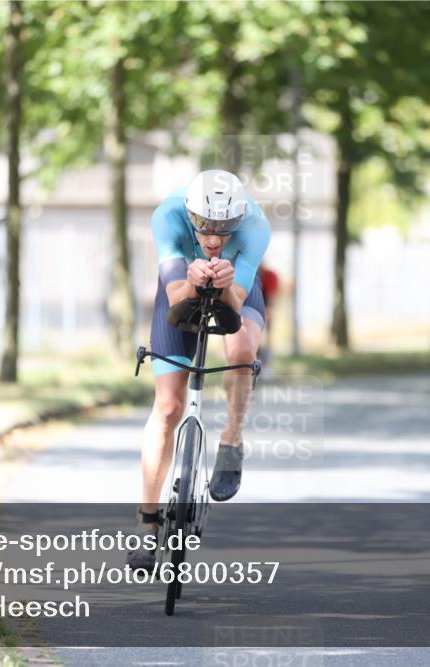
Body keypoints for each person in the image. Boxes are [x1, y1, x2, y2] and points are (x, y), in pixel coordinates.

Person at [128, 170, 270, 570]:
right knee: (169, 407)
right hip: (181, 285)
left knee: (241, 348)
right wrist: (193, 281)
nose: (212, 237)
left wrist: (224, 281)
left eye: (224, 228)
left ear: (239, 220)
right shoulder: (168, 216)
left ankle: (231, 440)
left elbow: (236, 302)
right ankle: (148, 521)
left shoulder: (256, 225)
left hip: (235, 286)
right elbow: (175, 297)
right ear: (190, 214)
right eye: (204, 225)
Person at [256, 263, 280, 371]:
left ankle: (267, 364)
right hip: (256, 305)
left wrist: (269, 311)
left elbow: (271, 298)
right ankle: (256, 360)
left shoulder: (271, 276)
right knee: (256, 337)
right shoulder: (254, 275)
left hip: (267, 304)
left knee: (268, 337)